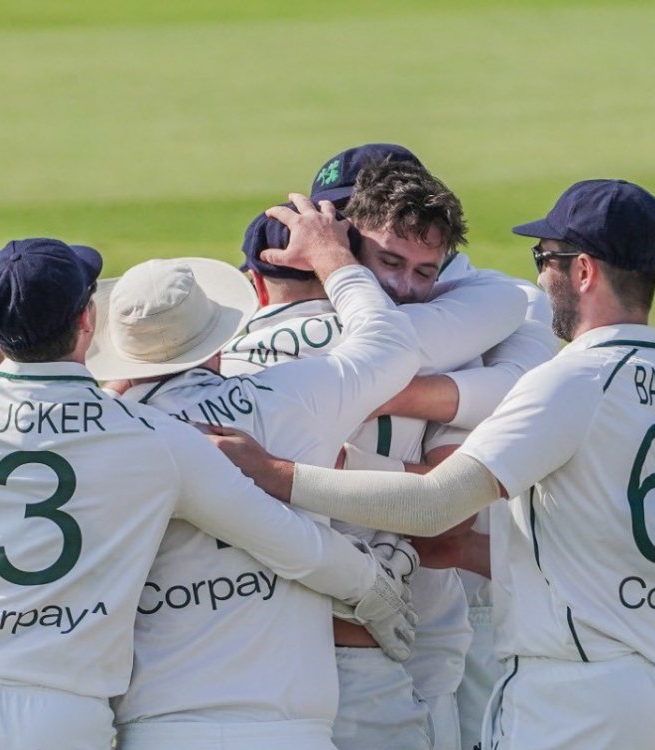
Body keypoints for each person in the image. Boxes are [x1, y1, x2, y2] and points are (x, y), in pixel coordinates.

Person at [0, 238, 416, 750]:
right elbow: (289, 544)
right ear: (87, 322)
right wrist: (375, 591)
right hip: (67, 715)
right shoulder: (156, 438)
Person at [213, 179, 655, 750]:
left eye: (545, 258)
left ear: (583, 271)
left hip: (576, 699)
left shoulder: (574, 379)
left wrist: (276, 472)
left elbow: (432, 504)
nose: (539, 278)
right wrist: (465, 551)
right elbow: (597, 550)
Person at [224, 146, 557, 750]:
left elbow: (507, 399)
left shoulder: (470, 303)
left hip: (425, 627)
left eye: (421, 266)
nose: (402, 284)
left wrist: (382, 392)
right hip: (313, 629)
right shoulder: (418, 322)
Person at [87, 196, 423, 749]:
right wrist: (334, 259)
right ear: (217, 336)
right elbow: (391, 343)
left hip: (158, 722)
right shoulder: (290, 397)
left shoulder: (110, 437)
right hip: (292, 722)